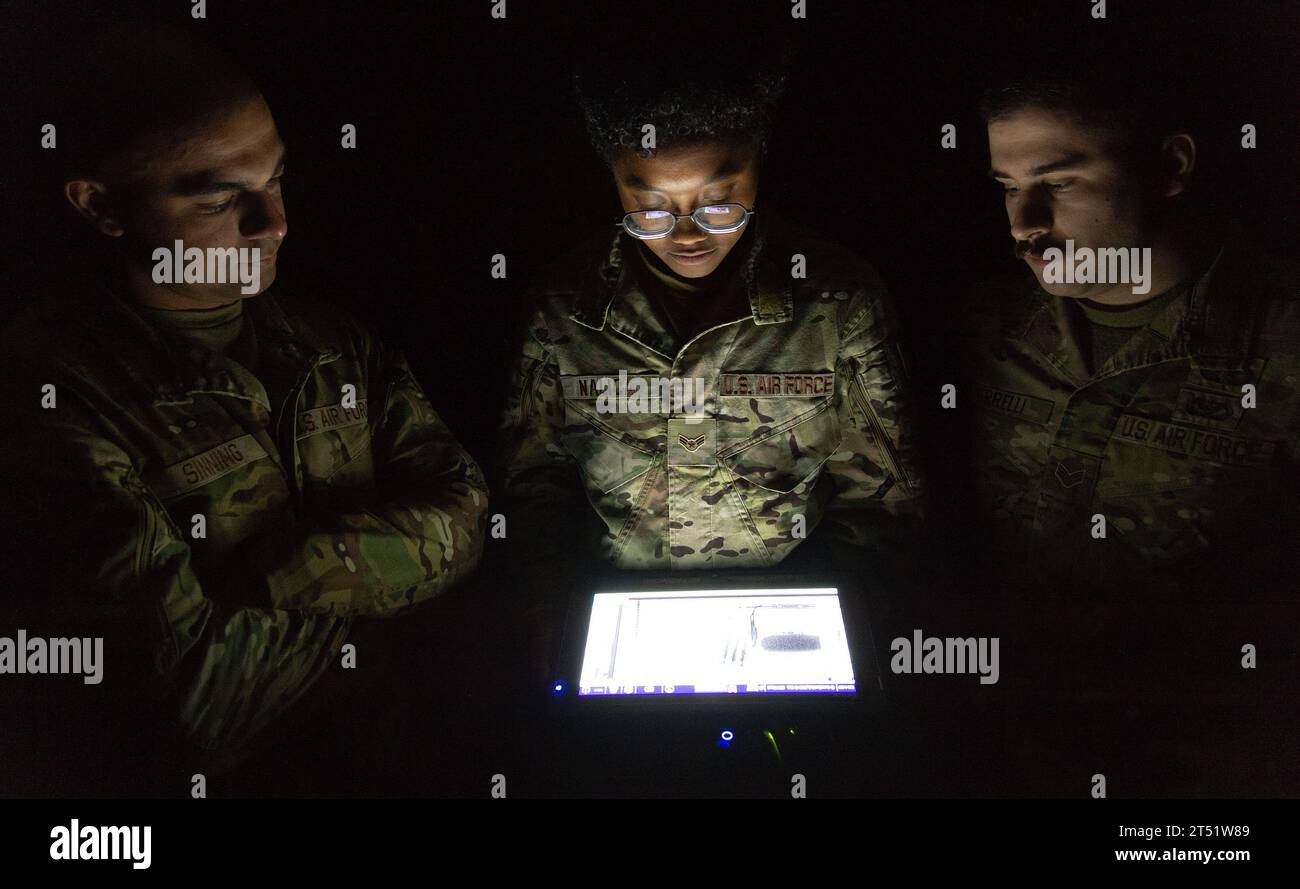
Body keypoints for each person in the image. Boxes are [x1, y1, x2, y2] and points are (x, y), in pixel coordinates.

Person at [0, 26, 488, 790]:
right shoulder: (55, 400)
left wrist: (279, 574)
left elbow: (465, 517)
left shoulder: (333, 344)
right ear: (101, 205)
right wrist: (382, 625)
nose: (275, 223)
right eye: (223, 198)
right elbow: (188, 698)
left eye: (277, 178)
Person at [497, 58, 921, 653]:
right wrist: (557, 623)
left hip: (787, 629)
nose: (688, 233)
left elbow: (884, 505)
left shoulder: (836, 303)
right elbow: (533, 490)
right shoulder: (563, 310)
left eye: (720, 202)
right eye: (650, 208)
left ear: (759, 167)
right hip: (616, 627)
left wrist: (833, 634)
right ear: (614, 180)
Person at [965, 69, 1299, 599]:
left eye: (1058, 183)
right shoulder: (983, 325)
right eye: (1009, 187)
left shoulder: (1278, 340)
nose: (1022, 222)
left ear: (1170, 166)